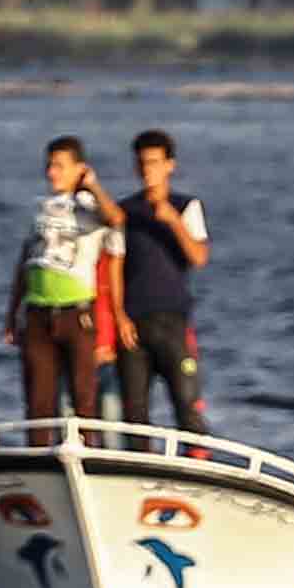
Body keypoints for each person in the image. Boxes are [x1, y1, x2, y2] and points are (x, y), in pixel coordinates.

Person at [4, 133, 120, 423]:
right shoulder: (42, 208)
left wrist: (91, 184)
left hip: (76, 313)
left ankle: (87, 455)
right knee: (38, 402)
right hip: (37, 313)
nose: (51, 172)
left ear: (78, 168)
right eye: (49, 166)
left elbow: (116, 219)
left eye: (58, 166)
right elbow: (25, 262)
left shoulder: (88, 206)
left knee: (83, 398)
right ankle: (38, 458)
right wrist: (11, 313)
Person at [115, 132, 216, 434]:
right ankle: (136, 474)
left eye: (155, 162)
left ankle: (196, 470)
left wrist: (172, 220)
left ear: (170, 165)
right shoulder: (125, 212)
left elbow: (199, 256)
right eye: (143, 163)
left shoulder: (186, 206)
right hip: (133, 325)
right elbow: (115, 267)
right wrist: (119, 316)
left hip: (173, 321)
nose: (148, 169)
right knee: (134, 414)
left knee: (187, 406)